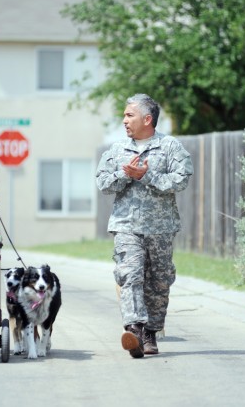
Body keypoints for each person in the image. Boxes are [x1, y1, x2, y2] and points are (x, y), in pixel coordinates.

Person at [95, 93, 193, 358]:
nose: (124, 120)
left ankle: (150, 332)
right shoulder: (116, 150)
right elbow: (103, 183)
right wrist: (125, 175)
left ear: (147, 119)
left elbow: (181, 179)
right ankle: (135, 330)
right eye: (125, 115)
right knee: (130, 275)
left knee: (159, 281)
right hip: (127, 225)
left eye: (130, 115)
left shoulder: (170, 146)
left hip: (161, 227)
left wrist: (147, 176)